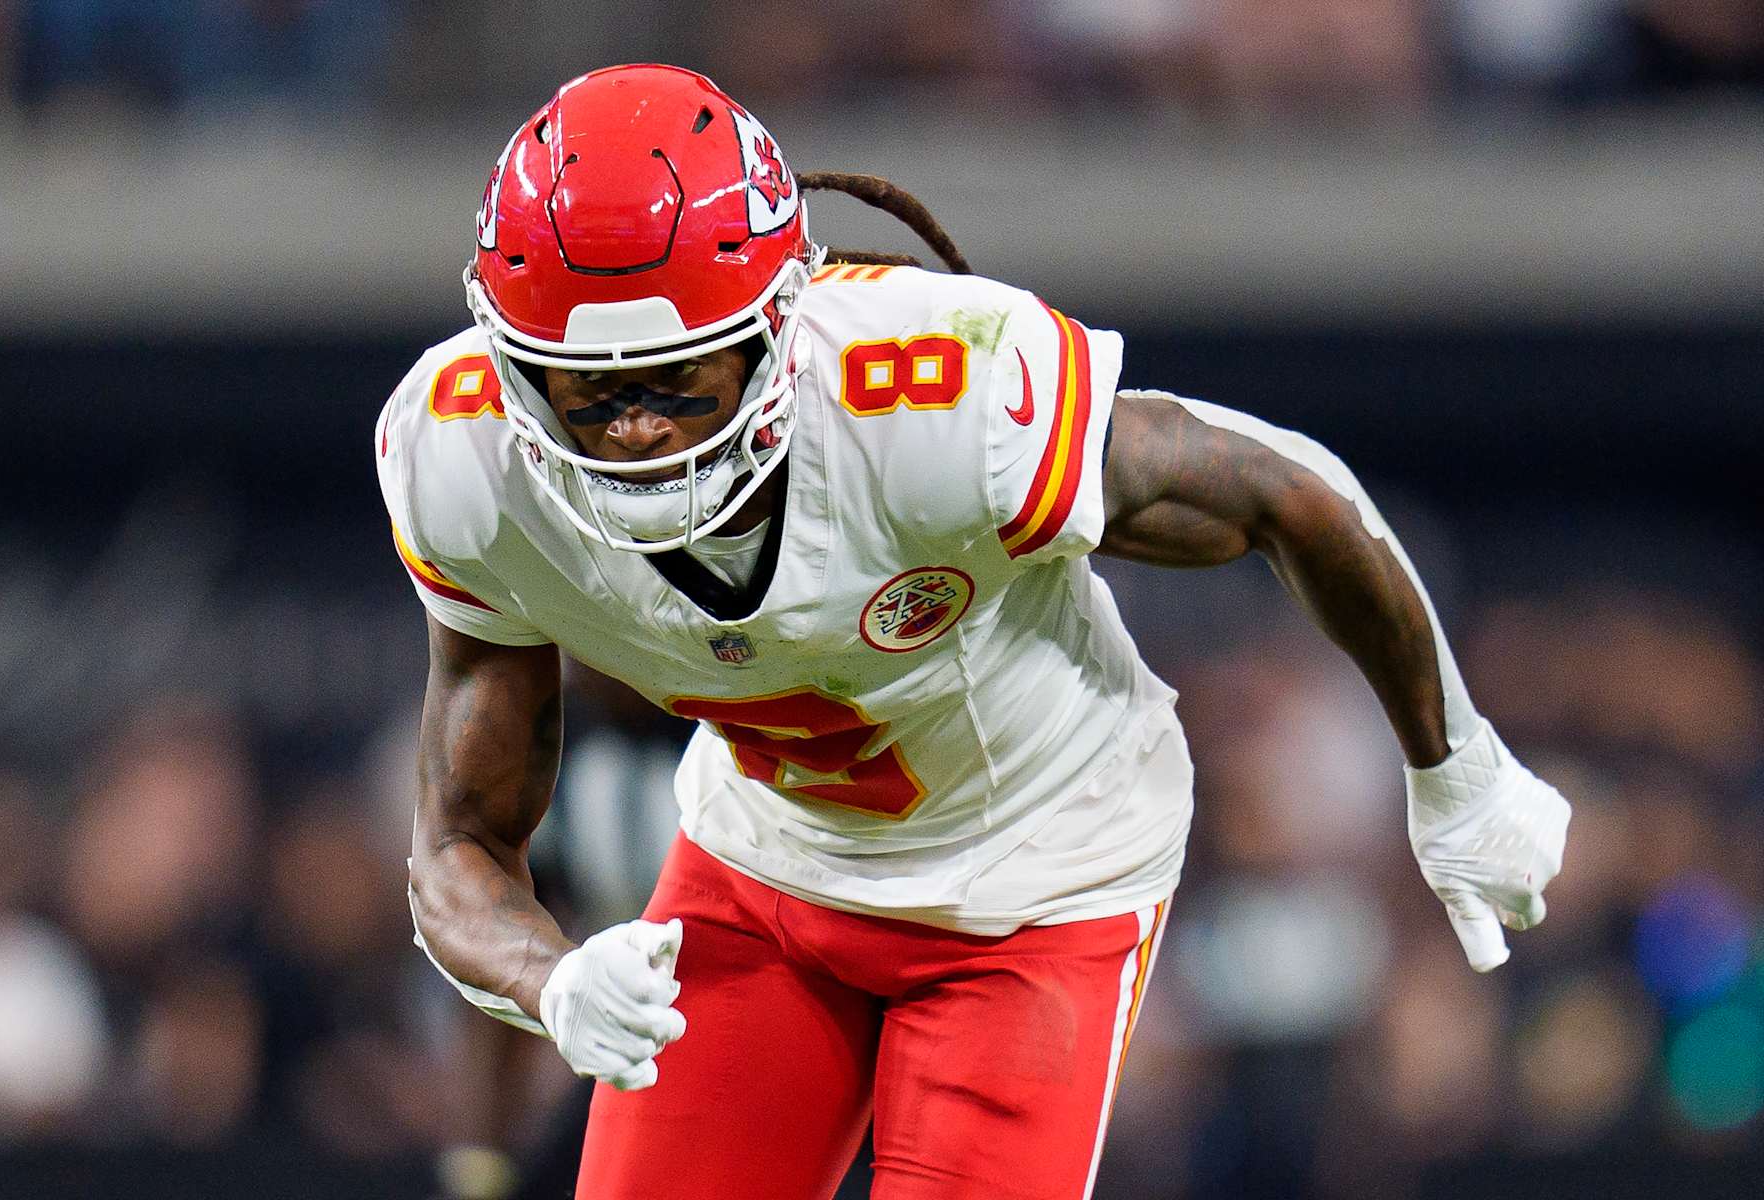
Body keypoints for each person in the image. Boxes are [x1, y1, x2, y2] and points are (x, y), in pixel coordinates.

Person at [375, 63, 1570, 1200]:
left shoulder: (942, 396)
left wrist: (1454, 765)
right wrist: (555, 977)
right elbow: (459, 844)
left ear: (778, 327)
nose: (638, 432)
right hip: (766, 862)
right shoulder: (460, 457)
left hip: (1035, 877)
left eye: (682, 381)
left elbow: (1282, 492)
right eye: (593, 391)